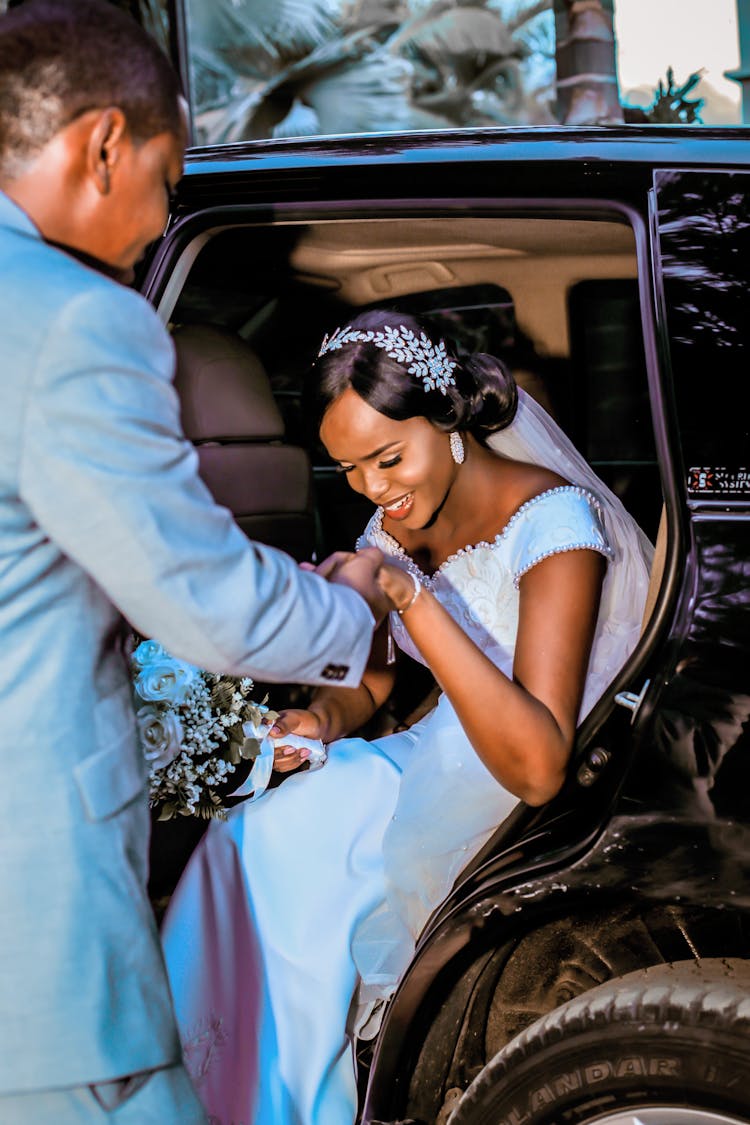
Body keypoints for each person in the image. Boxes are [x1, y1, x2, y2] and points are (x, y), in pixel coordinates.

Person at [0, 4, 391, 1122]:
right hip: (35, 935)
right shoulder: (76, 321)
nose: (166, 216)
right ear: (105, 144)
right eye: (171, 175)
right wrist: (357, 616)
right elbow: (210, 600)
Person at [162, 308, 654, 1124]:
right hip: (428, 756)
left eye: (388, 458)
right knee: (243, 839)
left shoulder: (557, 525)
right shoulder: (394, 518)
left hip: (507, 794)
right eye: (349, 469)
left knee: (287, 863)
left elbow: (537, 763)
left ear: (451, 419)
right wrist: (321, 717)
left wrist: (410, 594)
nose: (375, 489)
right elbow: (377, 680)